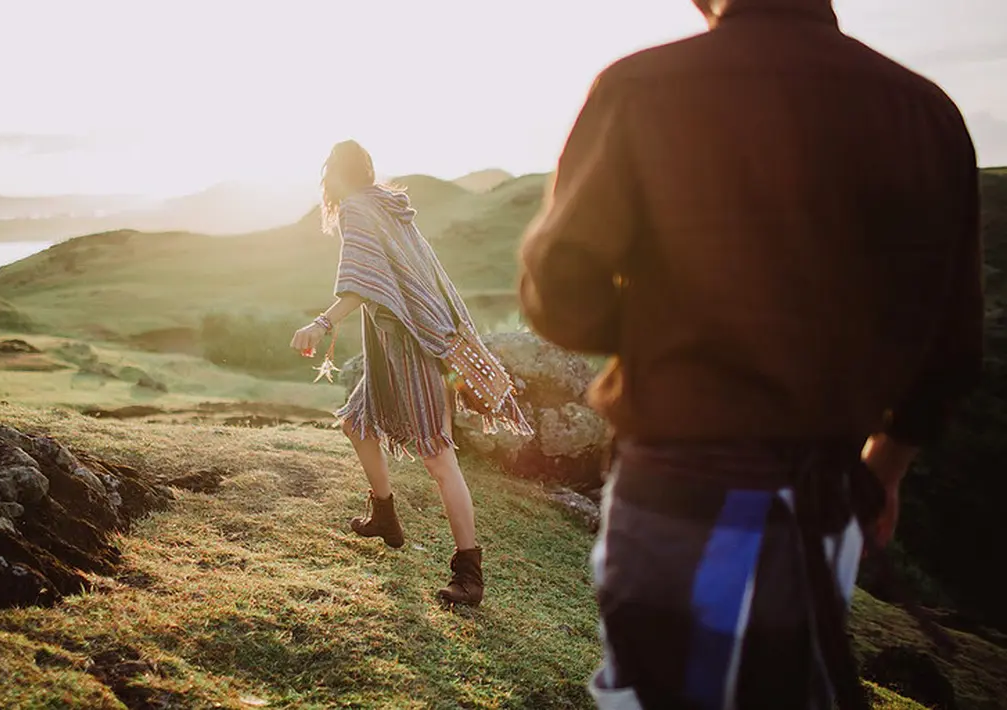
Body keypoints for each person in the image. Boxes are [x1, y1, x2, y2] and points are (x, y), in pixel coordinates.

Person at [517, 0, 983, 707]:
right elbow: (949, 343)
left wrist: (673, 332)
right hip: (827, 495)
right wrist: (884, 467)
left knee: (660, 694)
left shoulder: (642, 87)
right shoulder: (924, 111)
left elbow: (557, 293)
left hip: (681, 488)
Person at [291, 140, 533, 607]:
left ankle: (469, 572)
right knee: (355, 422)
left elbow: (365, 282)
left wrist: (321, 324)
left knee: (439, 459)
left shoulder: (359, 210)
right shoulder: (389, 207)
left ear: (333, 177)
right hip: (403, 344)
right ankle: (384, 515)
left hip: (413, 346)